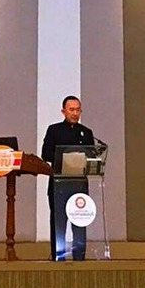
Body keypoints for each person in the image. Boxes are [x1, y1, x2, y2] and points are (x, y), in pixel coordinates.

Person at [40, 95, 94, 261]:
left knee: (79, 222)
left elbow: (92, 156)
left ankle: (79, 257)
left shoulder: (86, 132)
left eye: (78, 110)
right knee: (59, 222)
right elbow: (45, 153)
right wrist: (67, 159)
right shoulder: (54, 130)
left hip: (79, 185)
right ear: (63, 111)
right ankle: (58, 257)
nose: (75, 113)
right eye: (71, 110)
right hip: (59, 184)